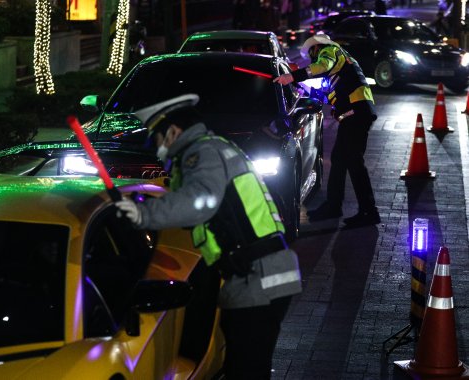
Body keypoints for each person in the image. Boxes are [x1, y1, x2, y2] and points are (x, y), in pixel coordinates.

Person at [115, 94, 302, 380]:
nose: (156, 148)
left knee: (246, 372)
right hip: (260, 274)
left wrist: (144, 214)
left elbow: (199, 201)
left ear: (174, 131)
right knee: (248, 368)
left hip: (257, 278)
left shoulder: (202, 153)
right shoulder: (214, 149)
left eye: (157, 138)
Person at [274, 34, 380, 227]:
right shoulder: (340, 64)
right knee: (340, 161)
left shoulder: (330, 51)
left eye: (312, 53)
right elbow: (327, 92)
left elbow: (322, 66)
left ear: (317, 47)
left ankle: (369, 211)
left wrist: (293, 76)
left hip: (356, 112)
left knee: (354, 163)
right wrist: (303, 89)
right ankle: (333, 206)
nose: (312, 58)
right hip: (354, 113)